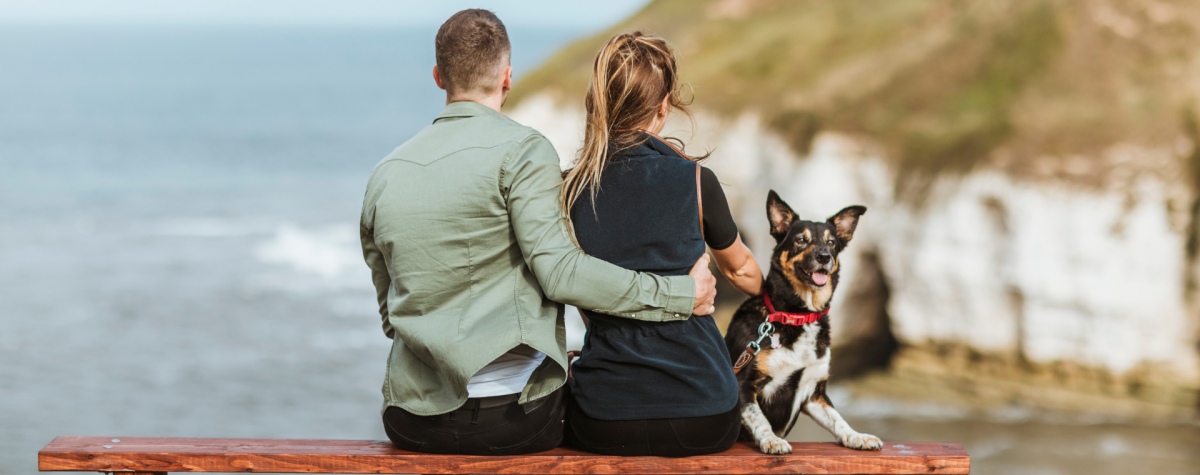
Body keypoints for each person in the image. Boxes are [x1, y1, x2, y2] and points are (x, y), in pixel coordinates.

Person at [359, 11, 718, 456]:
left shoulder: (385, 174)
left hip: (411, 420)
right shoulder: (525, 153)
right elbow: (561, 275)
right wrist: (680, 294)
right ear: (507, 77)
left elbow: (390, 313)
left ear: (438, 77)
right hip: (513, 419)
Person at [560, 32, 764, 457]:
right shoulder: (694, 180)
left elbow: (577, 288)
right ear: (664, 107)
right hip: (704, 414)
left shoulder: (569, 189)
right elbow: (741, 270)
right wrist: (767, 296)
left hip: (603, 418)